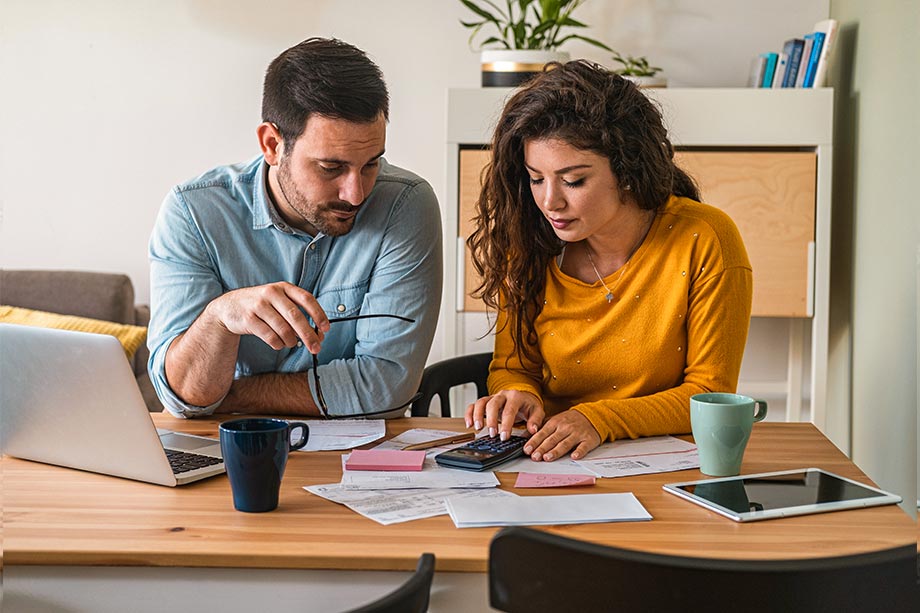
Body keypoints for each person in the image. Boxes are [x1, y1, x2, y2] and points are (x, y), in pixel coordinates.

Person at [465, 60, 752, 461]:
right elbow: (513, 367)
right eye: (536, 178)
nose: (550, 201)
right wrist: (518, 396)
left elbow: (708, 394)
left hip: (662, 465)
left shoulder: (705, 238)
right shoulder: (528, 241)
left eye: (573, 181)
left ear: (627, 168)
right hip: (548, 458)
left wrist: (598, 420)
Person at [148, 38, 442, 419]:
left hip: (355, 461)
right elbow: (183, 395)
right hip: (226, 452)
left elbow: (386, 387)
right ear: (272, 144)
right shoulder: (193, 213)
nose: (355, 194)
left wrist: (228, 396)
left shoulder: (405, 205)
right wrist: (219, 317)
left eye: (371, 164)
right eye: (331, 168)